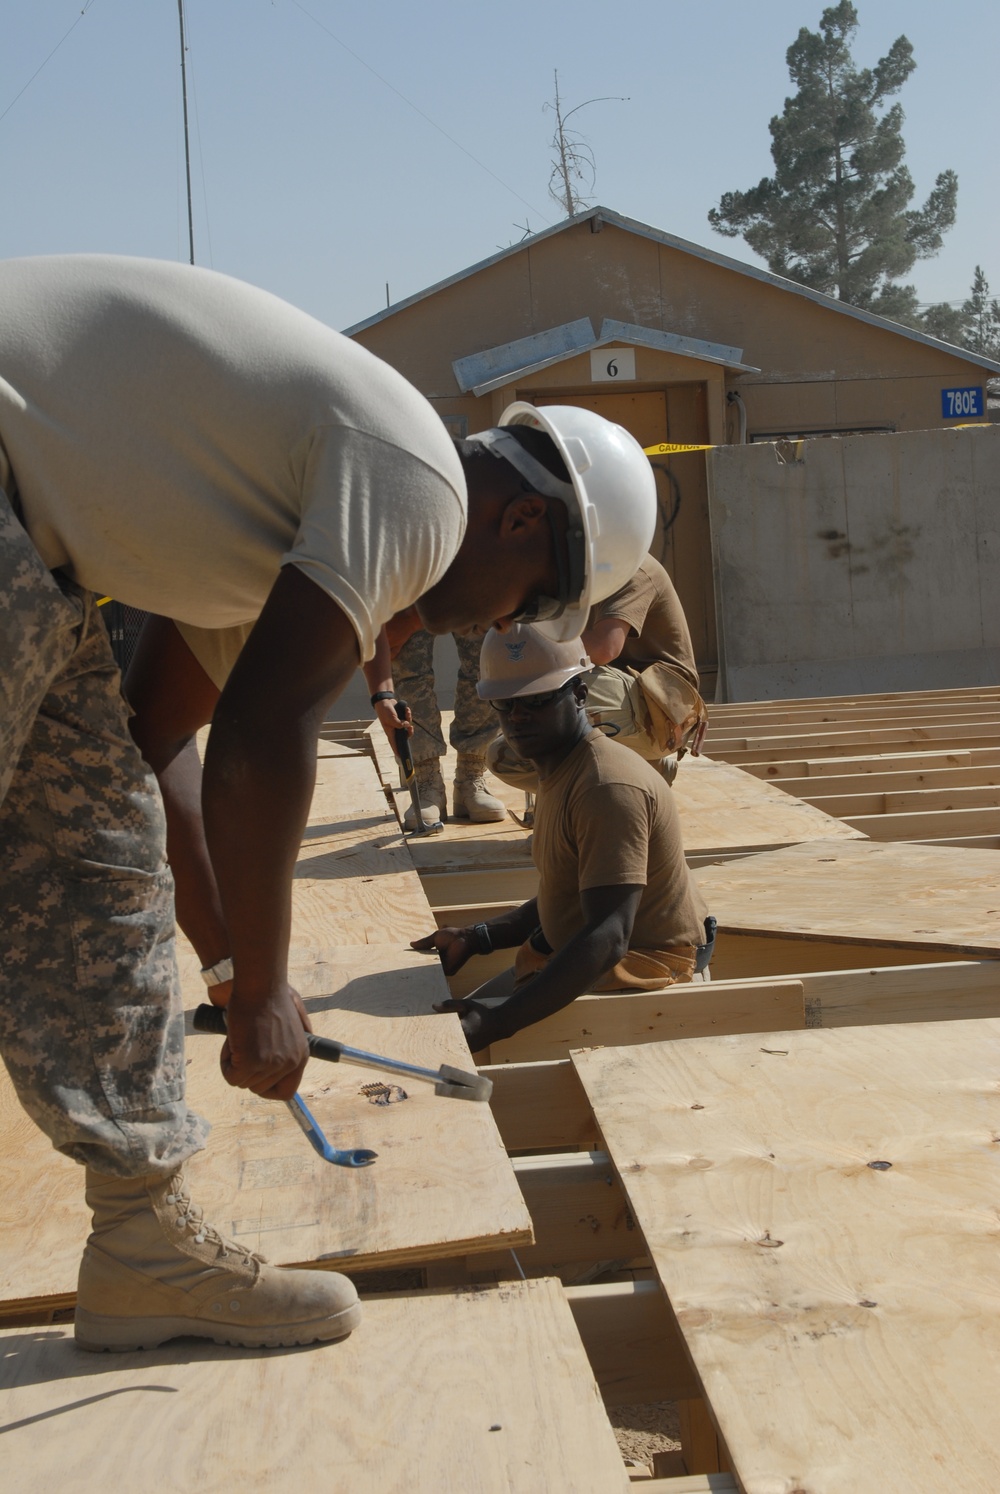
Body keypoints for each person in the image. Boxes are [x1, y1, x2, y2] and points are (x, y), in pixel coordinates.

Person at [0, 253, 656, 1352]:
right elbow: (263, 736)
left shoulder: (267, 525)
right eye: (521, 609)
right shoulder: (417, 482)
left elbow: (155, 745)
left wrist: (228, 973)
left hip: (40, 554)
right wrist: (264, 988)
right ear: (517, 528)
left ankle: (140, 1249)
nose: (486, 629)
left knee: (100, 850)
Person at [413, 625, 715, 1054]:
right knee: (445, 1028)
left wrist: (500, 1021)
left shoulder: (605, 786)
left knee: (453, 1045)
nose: (518, 716)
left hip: (646, 964)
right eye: (506, 702)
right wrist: (478, 937)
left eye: (537, 700)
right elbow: (573, 896)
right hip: (591, 949)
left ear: (579, 695)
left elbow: (608, 934)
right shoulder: (559, 769)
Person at [488, 553, 707, 793]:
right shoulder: (566, 574)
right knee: (505, 757)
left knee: (558, 696)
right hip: (618, 694)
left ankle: (636, 772)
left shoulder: (631, 566)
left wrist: (531, 650)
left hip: (664, 709)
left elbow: (605, 647)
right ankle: (636, 773)